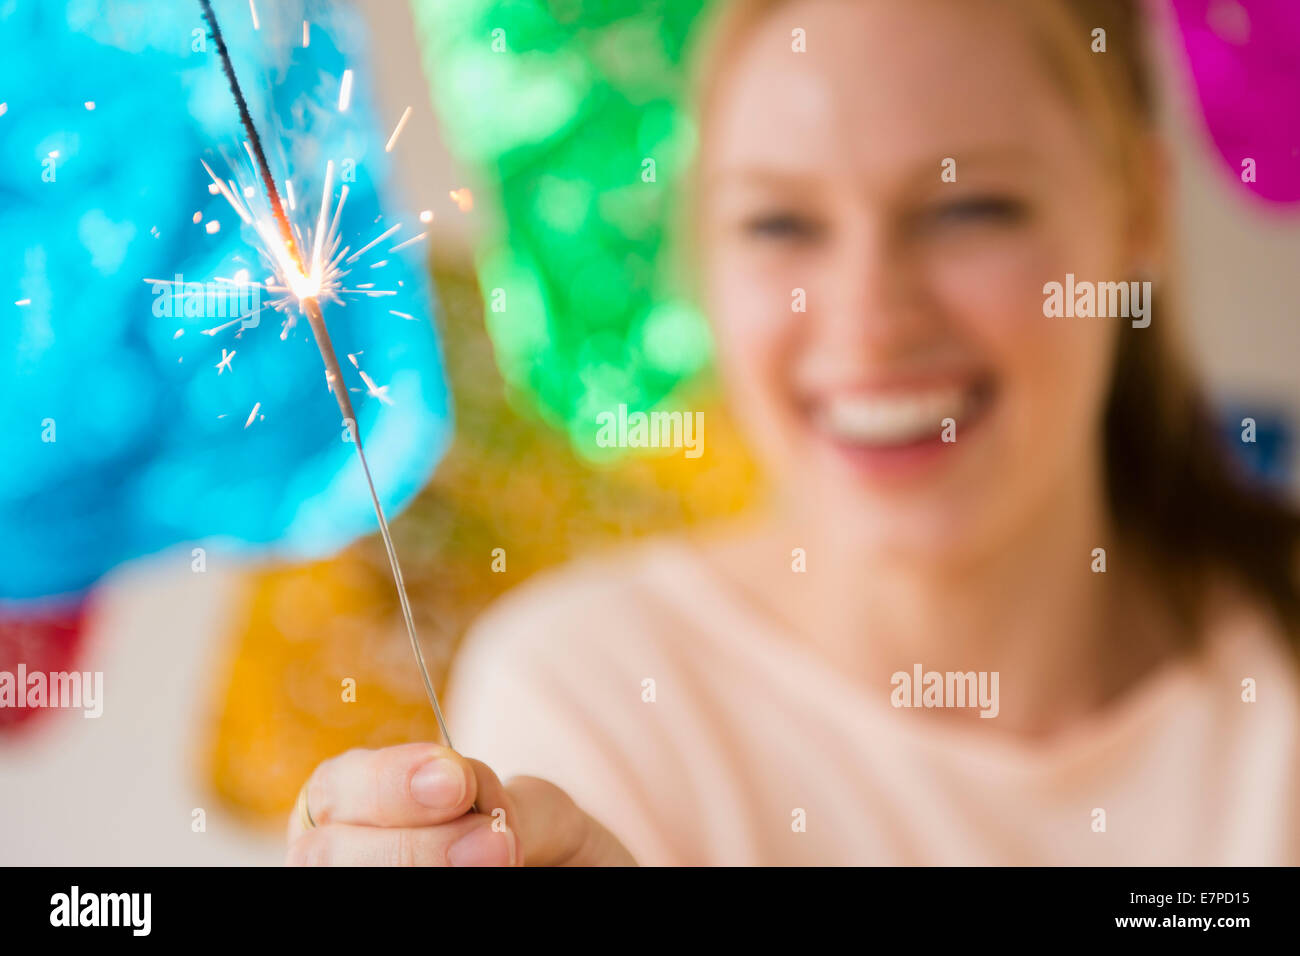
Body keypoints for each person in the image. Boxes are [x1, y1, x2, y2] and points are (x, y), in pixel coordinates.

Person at [286, 0, 1300, 866]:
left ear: (1136, 211)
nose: (870, 320)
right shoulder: (590, 699)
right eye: (779, 224)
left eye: (968, 209)